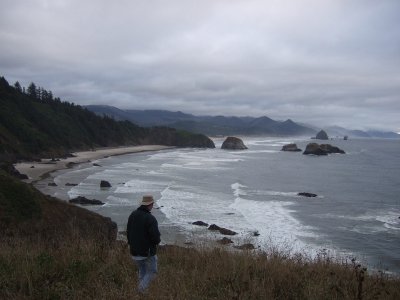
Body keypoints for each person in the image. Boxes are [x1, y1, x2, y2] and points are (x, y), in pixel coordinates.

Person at [127, 195, 161, 293]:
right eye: (152, 203)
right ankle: (140, 290)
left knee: (142, 271)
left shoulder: (133, 214)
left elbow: (128, 231)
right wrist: (157, 242)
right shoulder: (150, 218)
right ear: (150, 204)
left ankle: (143, 292)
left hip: (134, 251)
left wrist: (131, 244)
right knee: (152, 272)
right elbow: (156, 238)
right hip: (147, 253)